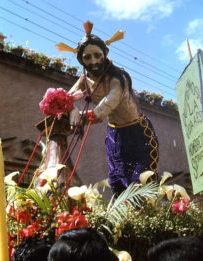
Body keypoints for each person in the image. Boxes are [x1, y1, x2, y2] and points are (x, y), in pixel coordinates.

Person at [57, 22, 159, 195]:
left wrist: (81, 114)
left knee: (140, 181)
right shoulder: (85, 77)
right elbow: (66, 98)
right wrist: (72, 109)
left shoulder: (117, 77)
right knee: (117, 180)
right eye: (87, 58)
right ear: (81, 59)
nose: (94, 62)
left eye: (97, 55)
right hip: (114, 134)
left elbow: (107, 106)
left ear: (105, 53)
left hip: (138, 132)